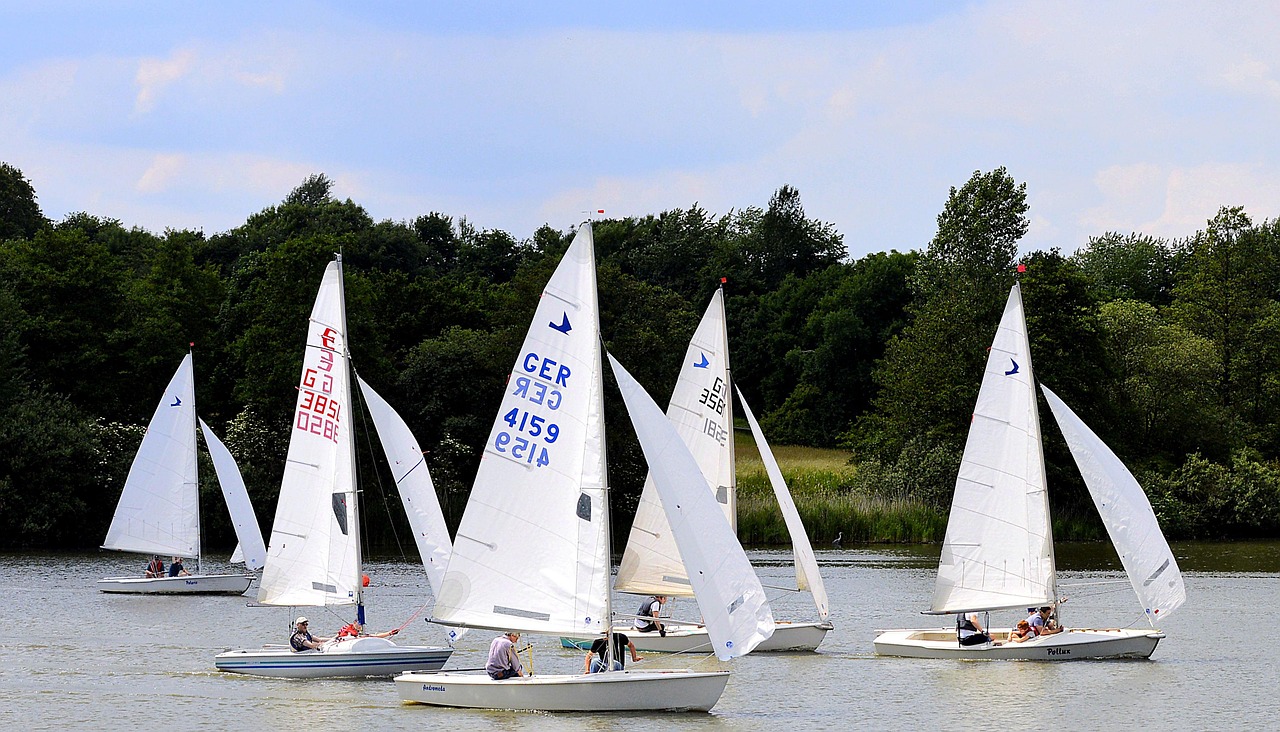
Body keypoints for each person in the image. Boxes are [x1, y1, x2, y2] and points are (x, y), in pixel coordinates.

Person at [336, 619, 400, 640]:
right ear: (354, 623)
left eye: (361, 625)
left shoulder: (357, 631)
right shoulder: (349, 628)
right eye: (359, 624)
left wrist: (390, 633)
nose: (360, 626)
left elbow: (375, 636)